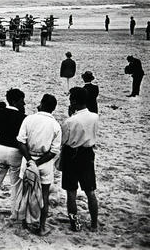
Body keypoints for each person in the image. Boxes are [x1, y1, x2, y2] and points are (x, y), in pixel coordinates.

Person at [16, 94, 62, 236]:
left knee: (26, 193)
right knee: (44, 195)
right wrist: (37, 163)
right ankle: (41, 227)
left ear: (41, 104)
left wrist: (30, 160)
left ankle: (24, 223)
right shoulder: (55, 125)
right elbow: (54, 151)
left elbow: (20, 142)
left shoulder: (29, 119)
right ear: (53, 109)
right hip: (45, 163)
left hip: (28, 160)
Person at [61, 87, 99, 232]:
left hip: (72, 155)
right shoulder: (95, 116)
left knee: (71, 192)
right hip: (88, 154)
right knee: (90, 191)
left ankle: (75, 224)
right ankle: (94, 224)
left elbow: (64, 140)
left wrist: (70, 116)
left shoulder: (70, 121)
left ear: (74, 101)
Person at [0, 88, 26, 217]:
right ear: (15, 101)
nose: (23, 104)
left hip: (1, 148)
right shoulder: (23, 117)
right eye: (21, 101)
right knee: (15, 184)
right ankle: (15, 212)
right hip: (15, 151)